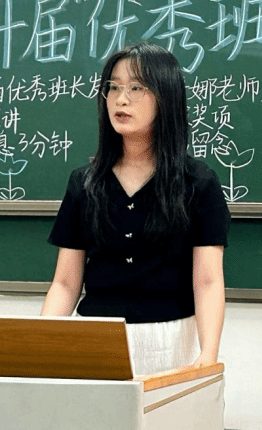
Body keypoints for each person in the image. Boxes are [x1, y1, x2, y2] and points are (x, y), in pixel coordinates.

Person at [41, 42, 230, 376]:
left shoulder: (198, 183)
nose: (121, 99)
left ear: (165, 97)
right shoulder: (84, 183)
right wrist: (39, 342)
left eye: (136, 88)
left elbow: (208, 281)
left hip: (171, 339)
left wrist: (209, 353)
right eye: (113, 87)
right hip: (95, 338)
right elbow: (66, 283)